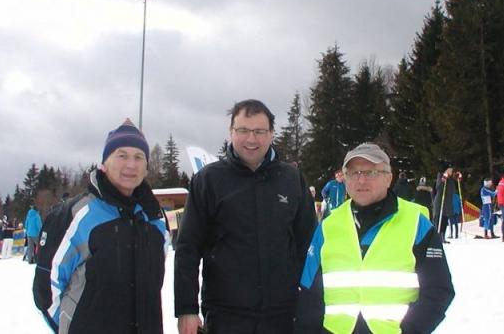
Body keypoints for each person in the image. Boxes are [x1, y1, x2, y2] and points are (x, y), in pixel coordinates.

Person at [175, 99, 317, 334]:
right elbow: (188, 248)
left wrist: (311, 306)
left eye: (259, 131)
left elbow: (308, 246)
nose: (251, 139)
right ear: (231, 132)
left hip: (282, 315)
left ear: (271, 134)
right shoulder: (209, 181)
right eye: (243, 130)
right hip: (226, 316)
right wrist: (186, 308)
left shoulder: (292, 179)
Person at [294, 143, 454, 333]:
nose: (361, 180)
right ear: (345, 179)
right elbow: (310, 294)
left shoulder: (416, 223)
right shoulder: (329, 225)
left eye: (371, 173)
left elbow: (438, 290)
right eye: (354, 173)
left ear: (389, 178)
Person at [33, 118, 168, 334]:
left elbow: (154, 284)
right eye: (121, 155)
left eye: (138, 157)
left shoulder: (155, 219)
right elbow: (46, 290)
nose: (131, 164)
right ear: (104, 163)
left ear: (146, 166)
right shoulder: (77, 214)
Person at [433, 163, 457, 242]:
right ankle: (438, 237)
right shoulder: (440, 176)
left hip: (447, 203)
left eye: (451, 170)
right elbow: (438, 188)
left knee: (445, 220)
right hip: (441, 202)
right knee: (439, 219)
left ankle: (443, 236)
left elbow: (453, 189)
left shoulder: (450, 179)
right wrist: (443, 180)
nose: (451, 171)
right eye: (449, 170)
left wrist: (457, 178)